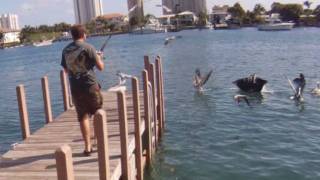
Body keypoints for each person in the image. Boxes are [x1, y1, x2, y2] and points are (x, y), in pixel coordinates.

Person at [61, 25, 105, 156]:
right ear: (84, 34)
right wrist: (99, 57)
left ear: (72, 35)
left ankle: (87, 147)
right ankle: (98, 142)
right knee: (97, 112)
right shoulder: (89, 47)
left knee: (83, 116)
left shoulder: (66, 50)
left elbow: (66, 70)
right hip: (90, 85)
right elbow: (101, 67)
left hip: (75, 87)